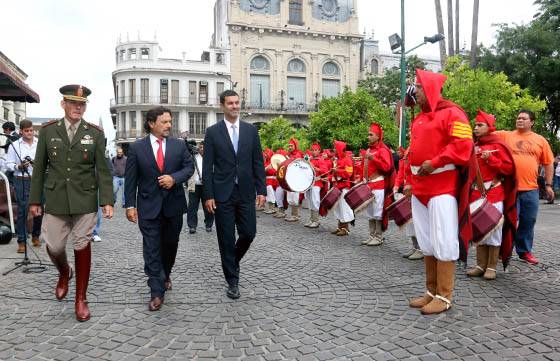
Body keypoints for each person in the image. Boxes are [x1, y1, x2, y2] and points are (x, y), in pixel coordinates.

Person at [29, 84, 113, 322]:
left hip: (85, 198)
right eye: (73, 103)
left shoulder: (95, 133)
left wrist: (106, 200)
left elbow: (103, 170)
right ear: (63, 104)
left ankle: (81, 299)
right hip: (55, 198)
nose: (78, 107)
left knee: (81, 244)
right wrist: (35, 200)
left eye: (82, 104)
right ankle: (65, 272)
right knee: (54, 246)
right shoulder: (48, 131)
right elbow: (39, 169)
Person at [406, 70, 474, 315]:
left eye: (419, 88)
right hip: (420, 187)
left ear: (431, 89)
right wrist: (409, 180)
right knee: (426, 241)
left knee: (443, 239)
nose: (415, 92)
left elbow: (464, 147)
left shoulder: (453, 114)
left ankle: (444, 297)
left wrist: (435, 162)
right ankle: (431, 291)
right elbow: (410, 153)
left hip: (442, 186)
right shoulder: (419, 118)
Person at [125, 106, 193, 311]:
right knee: (151, 248)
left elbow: (189, 168)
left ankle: (166, 272)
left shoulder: (179, 146)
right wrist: (130, 205)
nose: (169, 125)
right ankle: (156, 290)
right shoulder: (137, 148)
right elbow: (131, 180)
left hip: (174, 206)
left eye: (170, 122)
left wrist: (174, 178)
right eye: (164, 122)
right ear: (151, 123)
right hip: (148, 207)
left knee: (170, 245)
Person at [203, 90, 266, 300]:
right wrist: (208, 195)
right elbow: (208, 166)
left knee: (249, 233)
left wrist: (262, 190)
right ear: (222, 106)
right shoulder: (213, 132)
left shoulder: (251, 131)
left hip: (246, 191)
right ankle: (232, 281)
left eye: (237, 103)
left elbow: (258, 162)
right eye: (230, 103)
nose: (234, 106)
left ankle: (232, 261)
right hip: (222, 194)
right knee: (226, 238)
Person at [495, 110, 554, 265]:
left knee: (529, 220)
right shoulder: (505, 135)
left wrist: (548, 185)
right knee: (509, 221)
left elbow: (548, 163)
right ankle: (503, 251)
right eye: (518, 118)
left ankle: (524, 251)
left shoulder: (540, 140)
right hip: (509, 188)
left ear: (532, 122)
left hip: (531, 189)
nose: (520, 120)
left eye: (523, 118)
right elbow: (487, 132)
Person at [466, 110, 517, 280]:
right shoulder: (473, 145)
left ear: (490, 127)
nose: (476, 128)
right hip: (476, 193)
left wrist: (491, 160)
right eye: (476, 125)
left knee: (494, 229)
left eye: (480, 125)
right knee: (478, 228)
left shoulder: (499, 145)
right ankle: (480, 265)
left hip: (494, 192)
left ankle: (492, 267)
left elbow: (509, 169)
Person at [5, 120, 42, 252]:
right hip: (20, 179)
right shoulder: (14, 145)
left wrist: (37, 164)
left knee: (39, 208)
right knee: (23, 210)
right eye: (26, 131)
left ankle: (36, 235)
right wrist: (18, 166)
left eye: (31, 130)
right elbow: (7, 164)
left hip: (37, 180)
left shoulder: (39, 143)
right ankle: (21, 240)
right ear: (21, 131)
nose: (29, 133)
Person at [360, 123, 394, 246]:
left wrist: (373, 159)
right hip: (368, 185)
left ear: (378, 136)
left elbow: (387, 167)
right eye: (368, 134)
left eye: (371, 135)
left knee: (378, 211)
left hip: (378, 184)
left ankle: (378, 236)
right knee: (370, 212)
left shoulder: (383, 150)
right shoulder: (369, 150)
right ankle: (371, 235)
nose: (368, 137)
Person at [393, 146, 423, 260]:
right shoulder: (406, 154)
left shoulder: (417, 150)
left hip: (416, 189)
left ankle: (421, 248)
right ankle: (415, 247)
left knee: (418, 221)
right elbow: (401, 173)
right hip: (408, 190)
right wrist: (396, 185)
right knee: (410, 222)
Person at [187, 141, 214, 234]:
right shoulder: (193, 157)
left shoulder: (211, 158)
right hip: (194, 184)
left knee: (208, 205)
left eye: (204, 147)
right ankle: (192, 226)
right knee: (192, 206)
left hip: (207, 185)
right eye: (201, 147)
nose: (202, 149)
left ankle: (209, 224)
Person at [331, 140, 354, 236]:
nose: (334, 150)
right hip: (338, 186)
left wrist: (337, 171)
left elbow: (349, 173)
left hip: (344, 187)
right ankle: (340, 227)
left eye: (335, 148)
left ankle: (345, 229)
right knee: (338, 208)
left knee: (344, 208)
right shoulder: (338, 160)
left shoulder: (347, 160)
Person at [304, 143, 328, 228]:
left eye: (315, 150)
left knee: (315, 201)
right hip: (309, 183)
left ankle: (316, 220)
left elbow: (325, 170)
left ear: (319, 151)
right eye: (312, 150)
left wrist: (316, 168)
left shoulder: (320, 160)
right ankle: (311, 219)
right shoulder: (309, 159)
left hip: (317, 183)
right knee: (310, 201)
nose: (314, 152)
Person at [284, 138, 304, 222]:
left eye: (291, 145)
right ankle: (293, 214)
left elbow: (296, 164)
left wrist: (288, 158)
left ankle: (295, 215)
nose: (290, 147)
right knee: (290, 196)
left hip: (296, 178)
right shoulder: (289, 154)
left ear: (295, 146)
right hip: (290, 178)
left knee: (294, 196)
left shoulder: (298, 154)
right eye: (289, 146)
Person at [262, 148, 278, 214]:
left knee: (271, 194)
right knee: (269, 194)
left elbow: (273, 171)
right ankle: (270, 207)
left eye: (266, 153)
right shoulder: (266, 162)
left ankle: (272, 208)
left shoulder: (272, 163)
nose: (265, 155)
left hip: (271, 181)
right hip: (267, 180)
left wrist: (266, 169)